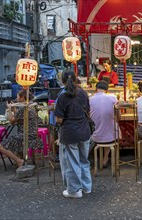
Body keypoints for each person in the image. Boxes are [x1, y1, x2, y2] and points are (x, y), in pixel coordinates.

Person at [54, 70, 92, 199]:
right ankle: (87, 187)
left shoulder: (62, 96)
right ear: (76, 79)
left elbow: (59, 119)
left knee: (72, 162)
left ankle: (75, 190)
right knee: (84, 160)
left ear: (63, 81)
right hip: (85, 130)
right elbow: (88, 111)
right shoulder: (83, 93)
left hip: (70, 133)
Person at [0, 89, 43, 168]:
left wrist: (10, 109)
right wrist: (15, 109)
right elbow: (19, 117)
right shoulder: (32, 105)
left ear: (22, 98)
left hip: (25, 135)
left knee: (0, 146)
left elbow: (12, 121)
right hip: (32, 134)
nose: (17, 99)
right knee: (15, 140)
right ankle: (20, 159)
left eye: (18, 97)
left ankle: (19, 160)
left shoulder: (23, 108)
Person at [90, 80, 121, 168]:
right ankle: (105, 157)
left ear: (96, 89)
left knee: (104, 127)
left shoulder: (90, 99)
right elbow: (119, 117)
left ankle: (103, 158)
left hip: (95, 136)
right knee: (112, 127)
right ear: (107, 90)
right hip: (110, 136)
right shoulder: (113, 98)